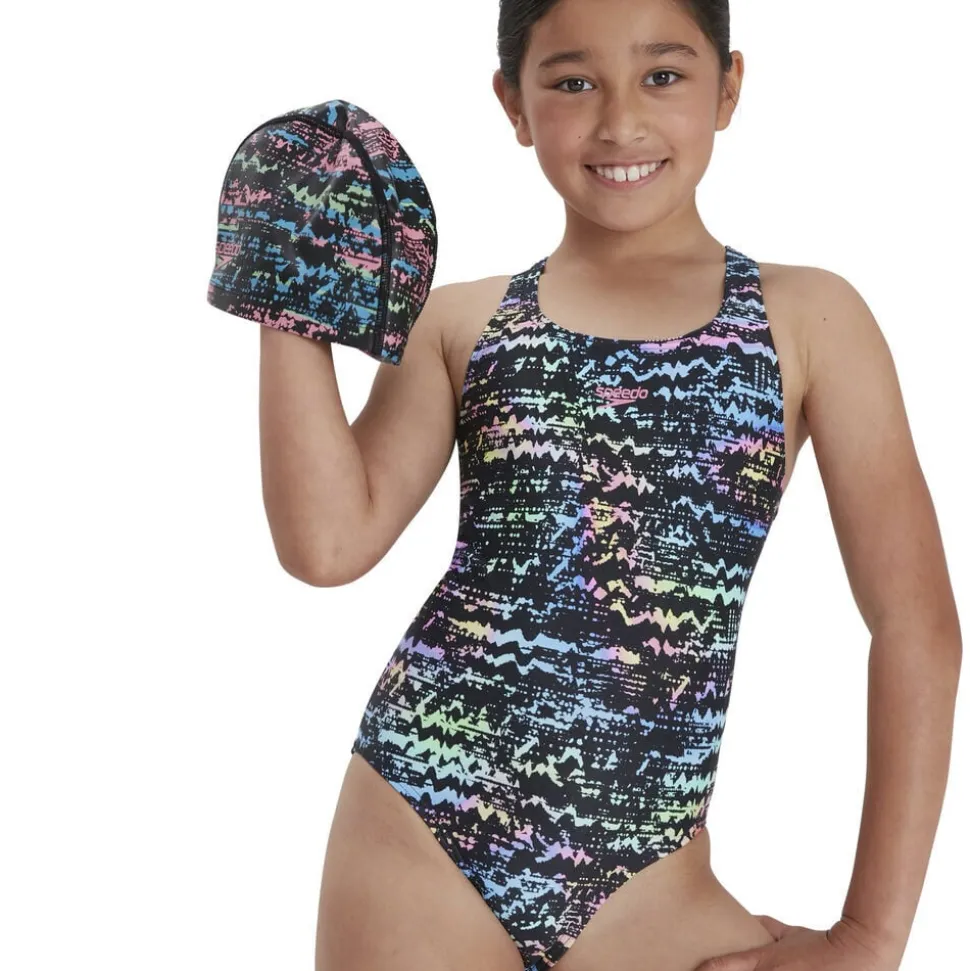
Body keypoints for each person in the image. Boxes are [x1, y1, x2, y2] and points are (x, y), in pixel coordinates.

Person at [258, 1, 961, 969]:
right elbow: (327, 544)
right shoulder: (462, 324)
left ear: (729, 87)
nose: (620, 121)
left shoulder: (808, 318)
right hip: (420, 827)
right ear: (513, 104)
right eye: (573, 81)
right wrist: (289, 299)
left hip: (648, 883)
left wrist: (871, 936)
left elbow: (916, 624)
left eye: (662, 75)